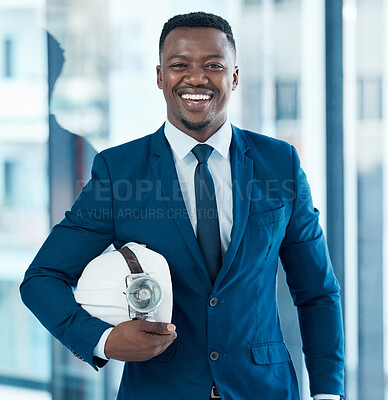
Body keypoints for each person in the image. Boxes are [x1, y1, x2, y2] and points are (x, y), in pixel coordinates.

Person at [20, 11, 345, 400]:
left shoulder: (280, 163)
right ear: (160, 77)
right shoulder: (119, 170)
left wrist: (328, 393)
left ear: (234, 77)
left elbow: (317, 292)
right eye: (179, 65)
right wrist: (103, 341)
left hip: (263, 389)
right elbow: (42, 278)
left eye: (213, 65)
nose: (196, 78)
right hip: (160, 389)